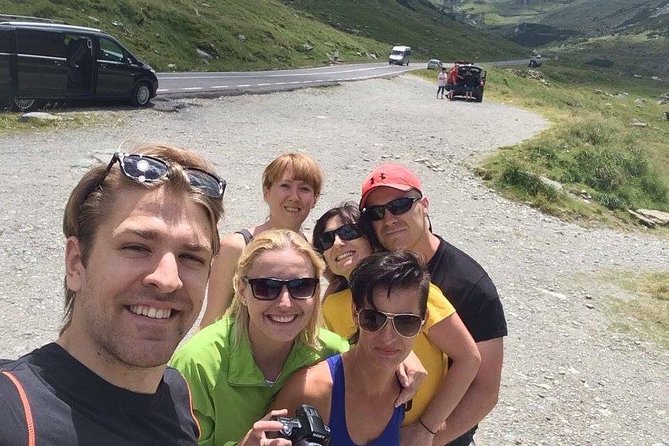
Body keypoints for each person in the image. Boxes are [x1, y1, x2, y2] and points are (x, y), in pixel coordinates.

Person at [0, 144, 226, 445]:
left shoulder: (175, 393)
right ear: (76, 262)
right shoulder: (15, 415)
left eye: (191, 257)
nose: (168, 279)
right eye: (136, 247)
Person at [358, 163, 508, 446]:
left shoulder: (470, 285)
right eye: (376, 213)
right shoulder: (373, 268)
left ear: (424, 205)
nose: (389, 219)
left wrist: (427, 434)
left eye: (400, 205)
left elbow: (485, 390)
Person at [312, 203, 480, 444]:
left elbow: (469, 358)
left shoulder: (414, 289)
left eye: (348, 232)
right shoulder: (332, 306)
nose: (338, 243)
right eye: (326, 241)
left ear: (369, 236)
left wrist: (427, 428)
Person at [171, 229, 349, 446]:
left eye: (301, 287)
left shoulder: (333, 353)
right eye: (267, 287)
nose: (285, 303)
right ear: (241, 290)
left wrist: (400, 363)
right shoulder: (199, 364)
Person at [272, 250, 432, 446]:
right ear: (355, 314)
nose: (388, 337)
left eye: (406, 322)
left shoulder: (406, 384)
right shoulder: (314, 392)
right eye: (373, 318)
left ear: (423, 321)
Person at [200, 152, 323, 329]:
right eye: (285, 186)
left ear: (315, 199)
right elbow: (212, 318)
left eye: (304, 189)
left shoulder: (314, 246)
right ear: (266, 192)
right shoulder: (236, 247)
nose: (294, 197)